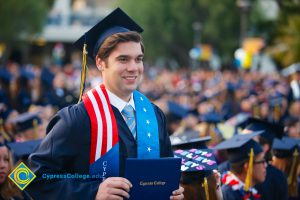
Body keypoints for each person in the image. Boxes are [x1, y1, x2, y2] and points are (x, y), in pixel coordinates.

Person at [26, 8, 184, 200]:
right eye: (123, 59)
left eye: (138, 59)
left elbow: (165, 173)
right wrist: (92, 192)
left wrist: (174, 191)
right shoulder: (77, 118)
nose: (133, 68)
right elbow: (26, 177)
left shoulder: (155, 115)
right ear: (100, 62)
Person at [215, 131, 267, 200]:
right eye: (262, 161)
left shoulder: (249, 190)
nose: (265, 165)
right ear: (247, 166)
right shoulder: (228, 195)